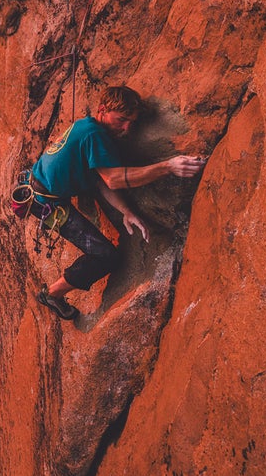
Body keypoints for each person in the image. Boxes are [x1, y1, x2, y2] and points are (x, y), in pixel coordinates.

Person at [30, 85, 205, 320]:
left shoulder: (88, 127)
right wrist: (168, 166)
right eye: (121, 119)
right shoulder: (93, 134)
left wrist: (126, 211)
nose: (126, 128)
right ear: (102, 110)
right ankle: (52, 294)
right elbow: (112, 179)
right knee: (105, 256)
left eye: (131, 122)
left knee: (104, 253)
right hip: (45, 202)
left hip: (41, 190)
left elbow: (100, 179)